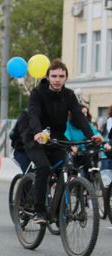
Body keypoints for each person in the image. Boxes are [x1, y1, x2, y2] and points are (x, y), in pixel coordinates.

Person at [26, 60, 103, 223]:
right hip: (36, 139)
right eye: (54, 76)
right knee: (44, 168)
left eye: (61, 76)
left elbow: (79, 116)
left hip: (57, 140)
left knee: (68, 169)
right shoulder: (37, 93)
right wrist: (37, 132)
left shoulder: (68, 95)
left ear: (66, 78)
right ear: (48, 77)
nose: (57, 79)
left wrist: (92, 136)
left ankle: (56, 210)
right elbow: (33, 114)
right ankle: (39, 211)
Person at [9, 109, 31, 173]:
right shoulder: (25, 115)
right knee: (28, 172)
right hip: (21, 151)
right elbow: (12, 135)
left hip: (37, 150)